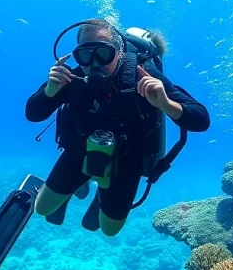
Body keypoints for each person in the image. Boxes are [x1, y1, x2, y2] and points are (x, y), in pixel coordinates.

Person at [25, 19, 210, 237]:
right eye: (85, 55)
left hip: (126, 160)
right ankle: (84, 183)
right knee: (41, 208)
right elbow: (33, 114)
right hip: (79, 151)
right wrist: (49, 91)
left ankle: (98, 190)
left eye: (104, 54)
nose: (94, 63)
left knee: (108, 230)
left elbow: (201, 119)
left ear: (120, 52)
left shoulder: (142, 74)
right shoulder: (71, 78)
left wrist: (166, 105)